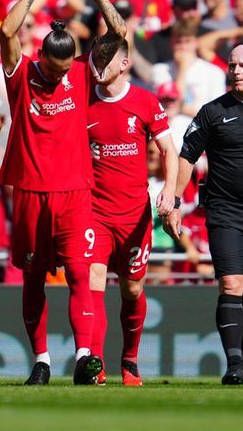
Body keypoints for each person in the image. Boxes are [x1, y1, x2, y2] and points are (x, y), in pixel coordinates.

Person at [0, 0, 126, 385]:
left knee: (79, 274)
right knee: (33, 277)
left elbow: (119, 32)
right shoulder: (22, 75)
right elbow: (6, 31)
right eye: (53, 69)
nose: (58, 75)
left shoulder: (80, 73)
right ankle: (41, 360)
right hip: (32, 192)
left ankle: (85, 356)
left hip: (74, 192)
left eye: (65, 67)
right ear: (41, 59)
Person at [165, 44, 243, 385]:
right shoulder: (212, 112)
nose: (237, 70)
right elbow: (186, 156)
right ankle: (232, 366)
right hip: (225, 210)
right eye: (232, 65)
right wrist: (173, 201)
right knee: (231, 283)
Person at [87, 39, 177, 386]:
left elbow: (168, 150)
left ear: (124, 63)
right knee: (93, 280)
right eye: (96, 59)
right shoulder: (84, 101)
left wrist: (169, 191)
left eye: (107, 60)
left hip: (134, 213)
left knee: (132, 289)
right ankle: (95, 363)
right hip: (94, 211)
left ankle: (130, 360)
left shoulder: (144, 101)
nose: (99, 66)